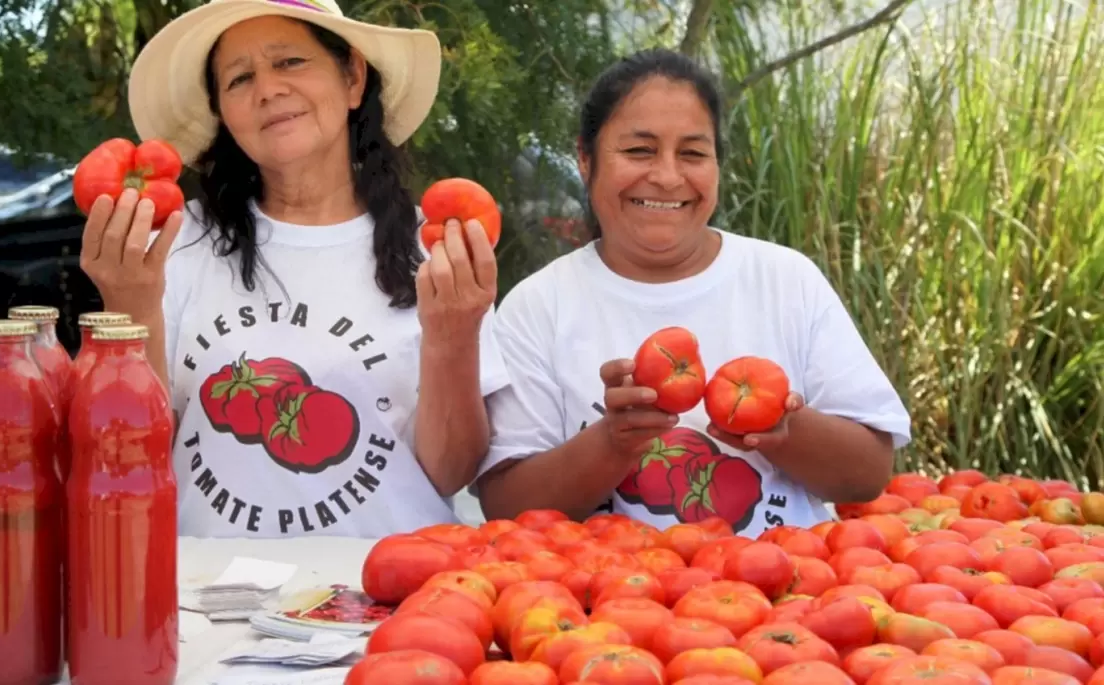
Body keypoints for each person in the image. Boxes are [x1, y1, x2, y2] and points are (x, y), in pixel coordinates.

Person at [78, 0, 509, 539]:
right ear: (223, 114)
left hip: (387, 595)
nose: (267, 90)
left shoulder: (439, 252)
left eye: (290, 63)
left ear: (353, 79)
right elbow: (126, 456)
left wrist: (453, 335)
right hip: (206, 604)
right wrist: (130, 307)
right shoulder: (170, 245)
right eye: (239, 79)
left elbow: (449, 472)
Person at [474, 48, 911, 536]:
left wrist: (785, 431)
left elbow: (869, 473)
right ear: (584, 157)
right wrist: (612, 441)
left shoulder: (786, 280)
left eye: (693, 153)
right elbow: (506, 507)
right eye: (639, 150)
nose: (666, 176)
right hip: (602, 604)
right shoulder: (539, 307)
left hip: (778, 594)